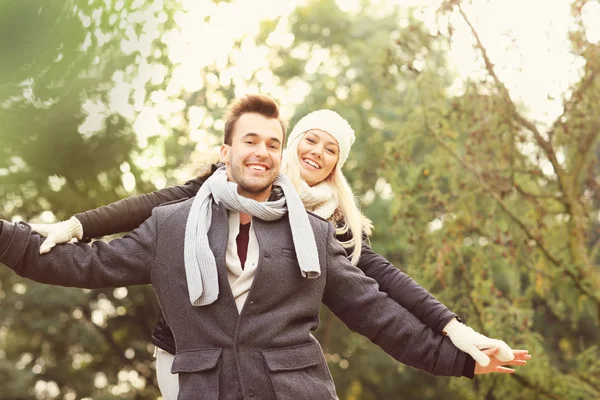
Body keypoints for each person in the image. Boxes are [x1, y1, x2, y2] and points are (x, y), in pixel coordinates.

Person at [3, 95, 530, 399]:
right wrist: (63, 227)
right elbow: (91, 258)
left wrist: (460, 355)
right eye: (250, 141)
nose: (263, 151)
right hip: (201, 379)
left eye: (271, 143)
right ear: (225, 151)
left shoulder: (321, 233)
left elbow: (378, 310)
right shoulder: (174, 224)